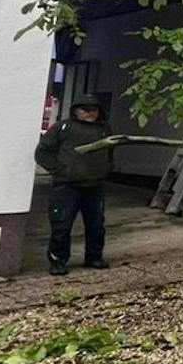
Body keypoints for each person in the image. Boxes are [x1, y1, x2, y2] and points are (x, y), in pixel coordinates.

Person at [34, 93, 112, 275]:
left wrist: (107, 168)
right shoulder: (62, 128)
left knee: (96, 224)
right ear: (75, 110)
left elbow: (110, 152)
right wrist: (61, 170)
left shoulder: (104, 129)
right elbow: (43, 153)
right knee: (62, 224)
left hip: (95, 185)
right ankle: (58, 261)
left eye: (94, 110)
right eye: (85, 109)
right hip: (66, 186)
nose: (89, 113)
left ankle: (94, 257)